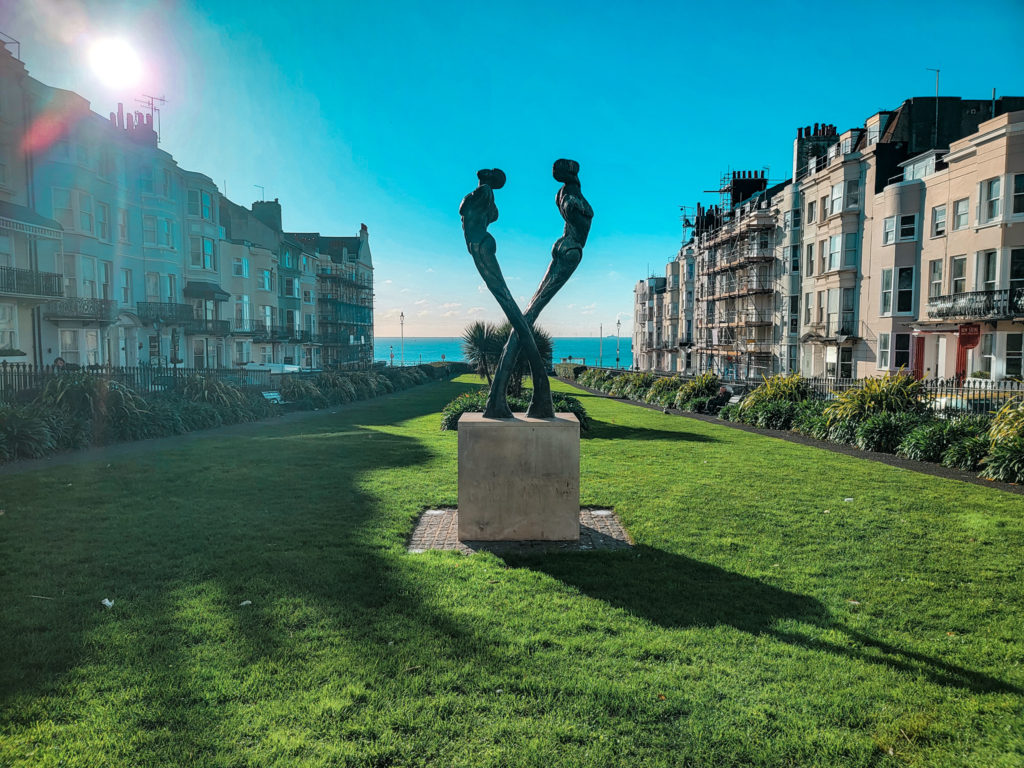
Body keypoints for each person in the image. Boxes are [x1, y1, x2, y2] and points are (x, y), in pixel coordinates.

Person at [489, 159, 593, 410]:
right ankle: (520, 398)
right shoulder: (570, 195)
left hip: (564, 246)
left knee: (528, 315)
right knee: (528, 315)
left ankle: (501, 396)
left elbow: (576, 212)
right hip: (570, 248)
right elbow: (585, 214)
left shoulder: (564, 194)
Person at [459, 168, 552, 418]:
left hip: (481, 244)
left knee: (506, 299)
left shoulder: (482, 192)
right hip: (481, 244)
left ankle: (505, 402)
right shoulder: (483, 194)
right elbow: (492, 214)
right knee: (507, 301)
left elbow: (474, 211)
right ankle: (514, 399)